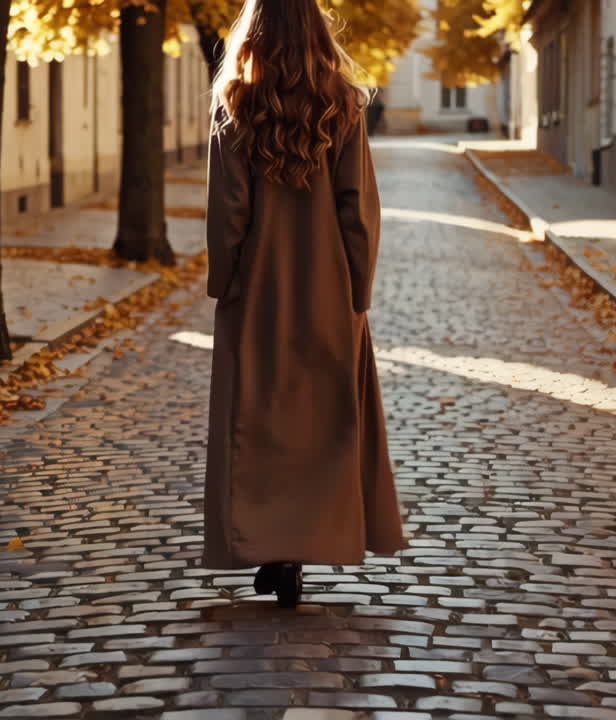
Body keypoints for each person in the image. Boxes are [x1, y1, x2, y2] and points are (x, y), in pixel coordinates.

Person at [202, 0, 407, 608]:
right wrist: (358, 292)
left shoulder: (237, 100)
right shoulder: (344, 101)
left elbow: (228, 211)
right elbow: (359, 210)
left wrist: (226, 282)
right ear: (317, 29)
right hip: (327, 288)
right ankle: (304, 545)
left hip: (258, 288)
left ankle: (270, 546)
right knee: (324, 423)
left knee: (259, 418)